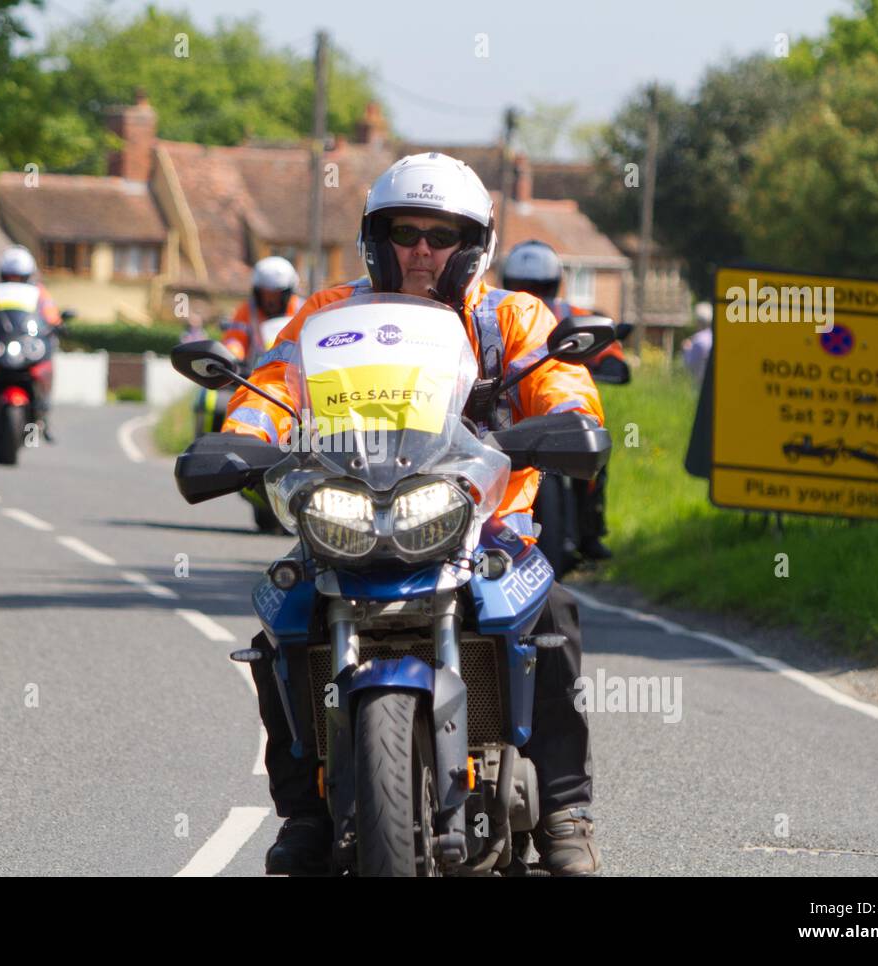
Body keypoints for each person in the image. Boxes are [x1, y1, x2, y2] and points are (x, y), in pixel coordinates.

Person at [221, 153, 604, 876]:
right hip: (350, 516)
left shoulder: (511, 317)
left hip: (482, 523)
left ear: (475, 245)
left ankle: (564, 811)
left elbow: (564, 383)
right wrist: (242, 437)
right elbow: (272, 383)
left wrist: (567, 420)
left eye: (442, 234)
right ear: (375, 238)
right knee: (283, 615)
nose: (423, 249)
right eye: (405, 231)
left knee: (552, 614)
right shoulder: (328, 315)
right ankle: (305, 811)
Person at [502, 239, 614, 562]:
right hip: (508, 415)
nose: (530, 293)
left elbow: (608, 346)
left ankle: (590, 530)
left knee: (595, 451)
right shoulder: (498, 312)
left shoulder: (570, 313)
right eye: (522, 286)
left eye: (538, 286)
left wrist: (611, 360)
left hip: (559, 406)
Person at [0, 246, 62, 440]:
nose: (14, 279)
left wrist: (56, 323)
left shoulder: (38, 292)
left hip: (27, 343)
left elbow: (49, 310)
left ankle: (43, 412)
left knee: (46, 366)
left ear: (27, 275)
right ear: (3, 275)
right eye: (10, 275)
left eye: (19, 276)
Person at [223, 257, 302, 372]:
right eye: (265, 294)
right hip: (254, 378)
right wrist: (231, 356)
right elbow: (235, 339)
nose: (270, 301)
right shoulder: (247, 310)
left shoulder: (302, 309)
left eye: (276, 295)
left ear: (288, 292)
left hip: (296, 378)